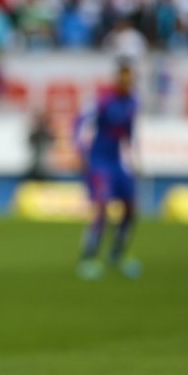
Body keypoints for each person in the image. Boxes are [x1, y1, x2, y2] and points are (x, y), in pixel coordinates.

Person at [74, 59, 140, 281]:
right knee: (101, 207)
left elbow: (129, 132)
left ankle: (116, 254)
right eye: (124, 77)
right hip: (99, 161)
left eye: (131, 78)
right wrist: (81, 151)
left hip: (117, 161)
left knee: (131, 209)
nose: (128, 82)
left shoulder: (132, 102)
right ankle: (88, 257)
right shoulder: (103, 100)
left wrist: (134, 159)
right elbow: (79, 122)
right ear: (117, 78)